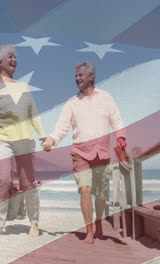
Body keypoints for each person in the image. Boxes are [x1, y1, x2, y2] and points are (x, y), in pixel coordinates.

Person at [42, 61, 126, 244]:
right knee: (85, 190)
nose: (77, 79)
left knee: (101, 194)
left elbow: (117, 120)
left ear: (91, 76)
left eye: (81, 75)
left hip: (102, 154)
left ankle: (99, 225)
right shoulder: (72, 103)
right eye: (76, 76)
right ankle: (89, 231)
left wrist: (120, 138)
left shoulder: (106, 98)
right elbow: (61, 127)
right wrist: (51, 140)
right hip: (80, 153)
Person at [0, 44, 46, 236]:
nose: (14, 60)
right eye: (10, 57)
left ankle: (34, 222)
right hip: (2, 139)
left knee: (27, 183)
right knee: (4, 179)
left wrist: (43, 136)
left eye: (15, 57)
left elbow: (34, 114)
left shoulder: (23, 87)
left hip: (24, 138)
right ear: (0, 63)